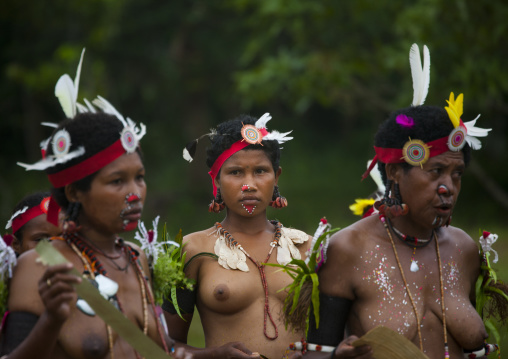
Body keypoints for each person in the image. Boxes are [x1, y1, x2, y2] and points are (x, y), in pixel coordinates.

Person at [298, 44, 502, 359]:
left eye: (457, 173)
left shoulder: (464, 250)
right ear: (395, 171)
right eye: (435, 171)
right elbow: (316, 354)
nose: (448, 187)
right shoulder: (347, 250)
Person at [0, 50, 190, 359]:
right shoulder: (38, 265)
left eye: (139, 177)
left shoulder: (137, 259)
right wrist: (51, 321)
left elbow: (158, 352)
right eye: (117, 181)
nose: (135, 193)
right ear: (75, 192)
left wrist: (219, 353)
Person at [163, 114, 311, 358]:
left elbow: (330, 340)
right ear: (216, 180)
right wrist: (214, 355)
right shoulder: (191, 250)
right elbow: (164, 346)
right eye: (235, 173)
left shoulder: (306, 247)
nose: (249, 185)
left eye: (260, 171)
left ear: (277, 177)